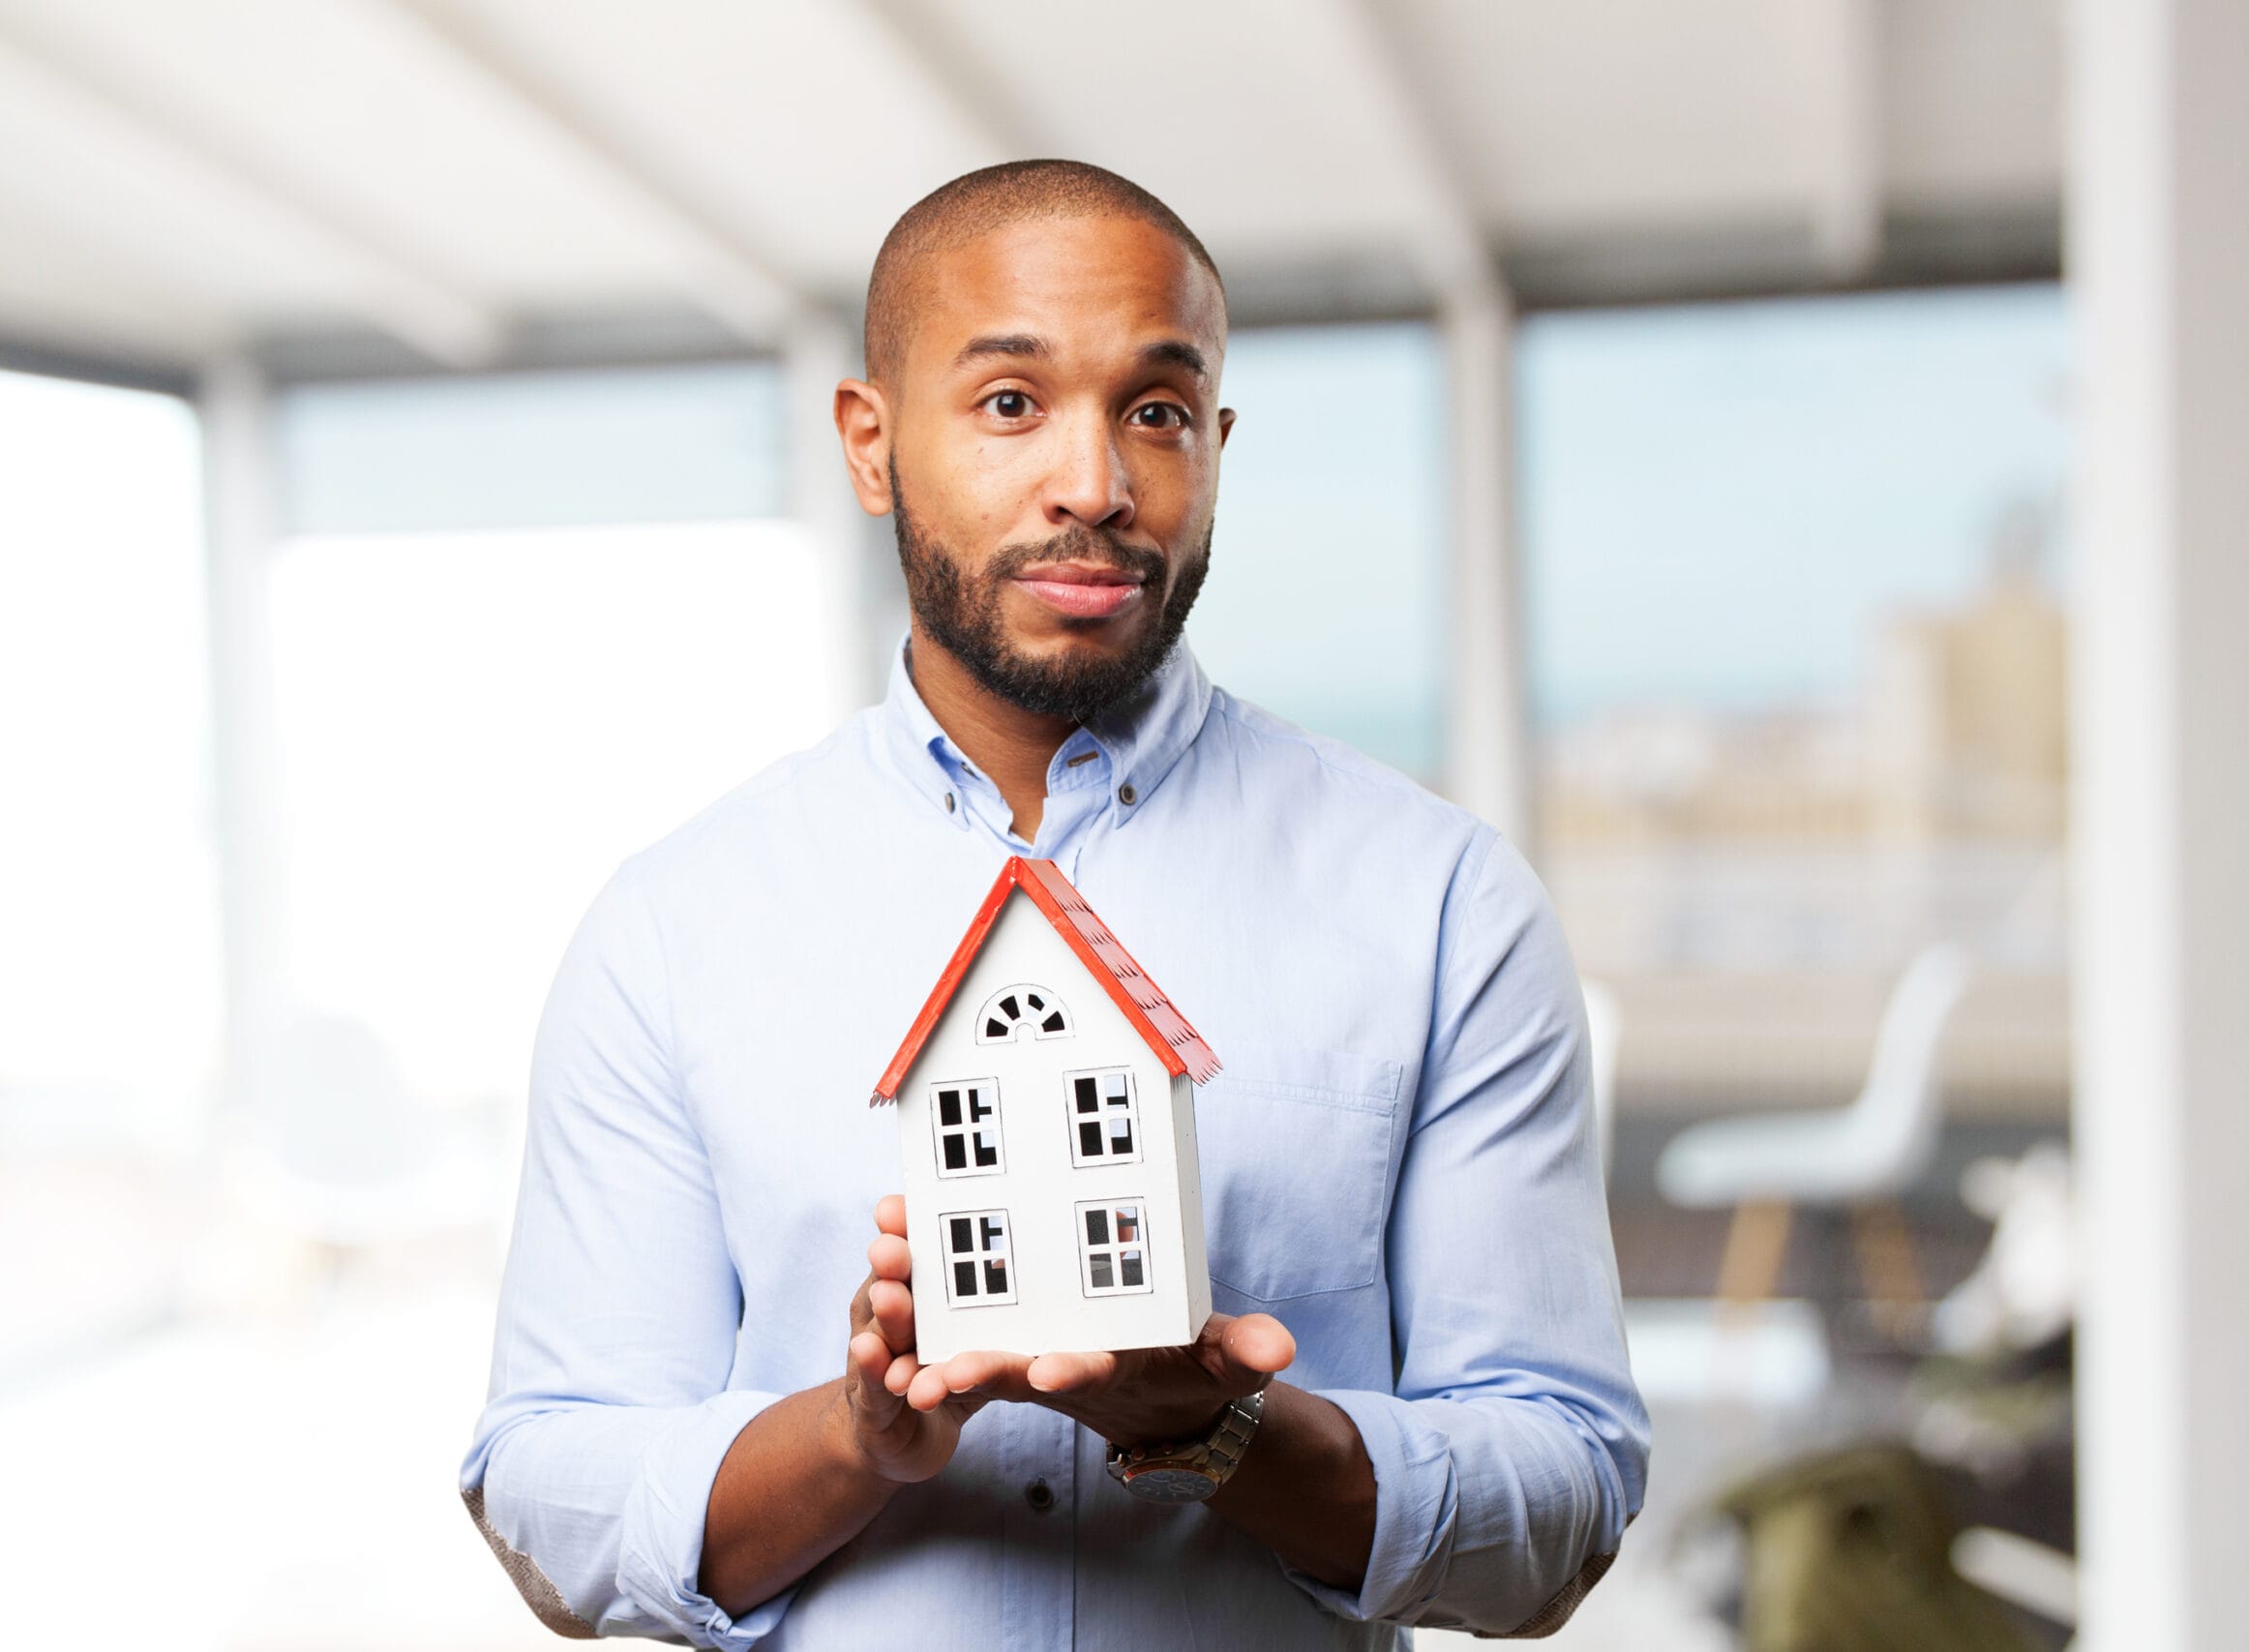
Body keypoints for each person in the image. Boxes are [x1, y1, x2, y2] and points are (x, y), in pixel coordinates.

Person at [460, 160, 1649, 1649]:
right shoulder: (673, 930)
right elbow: (550, 1491)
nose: (1094, 485)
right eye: (1012, 404)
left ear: (1214, 444)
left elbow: (1565, 1505)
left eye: (1155, 411)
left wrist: (1224, 1434)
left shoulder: (1443, 905)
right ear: (870, 444)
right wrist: (855, 1441)